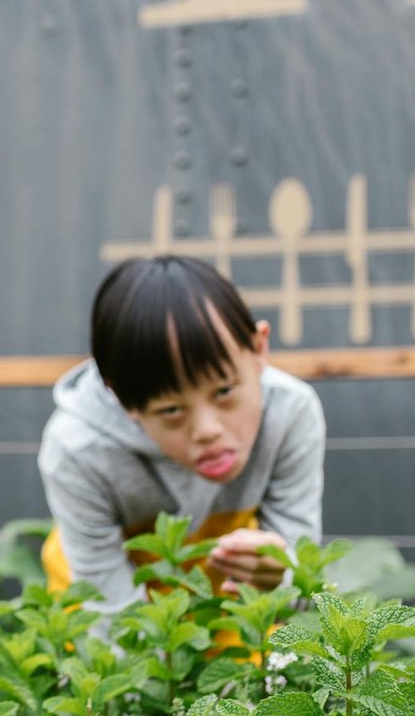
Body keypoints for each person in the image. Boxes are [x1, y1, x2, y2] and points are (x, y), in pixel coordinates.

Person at [38, 255, 325, 612]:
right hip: (104, 602)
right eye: (171, 410)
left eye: (224, 392)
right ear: (122, 397)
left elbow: (302, 580)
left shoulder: (290, 413)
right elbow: (109, 616)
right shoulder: (76, 449)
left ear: (258, 348)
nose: (208, 431)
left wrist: (281, 576)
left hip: (220, 600)